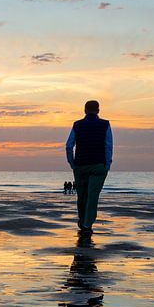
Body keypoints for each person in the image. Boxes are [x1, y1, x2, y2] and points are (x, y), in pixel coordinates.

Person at [66, 100, 113, 234]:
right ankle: (87, 224)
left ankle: (82, 220)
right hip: (99, 165)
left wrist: (72, 163)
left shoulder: (77, 125)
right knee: (93, 196)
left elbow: (69, 145)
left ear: (85, 110)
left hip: (81, 165)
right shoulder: (105, 124)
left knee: (82, 196)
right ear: (98, 110)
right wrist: (107, 164)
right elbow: (108, 145)